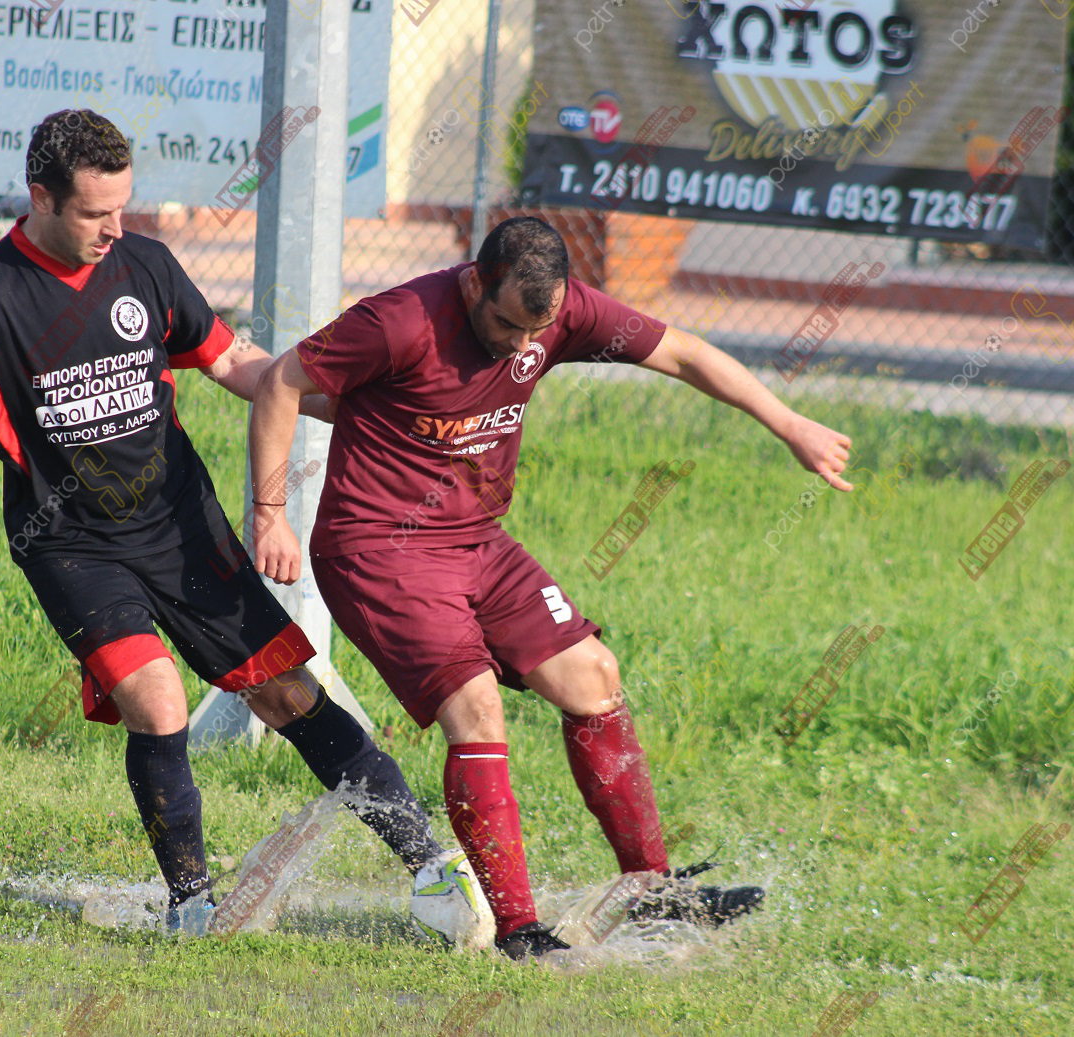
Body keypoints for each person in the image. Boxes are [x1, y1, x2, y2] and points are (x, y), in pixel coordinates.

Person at [0, 109, 469, 932]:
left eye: (122, 207)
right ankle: (192, 905)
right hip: (70, 545)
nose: (114, 228)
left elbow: (232, 360)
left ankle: (432, 869)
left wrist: (349, 410)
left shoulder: (145, 264)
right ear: (40, 197)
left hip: (181, 524)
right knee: (159, 702)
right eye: (93, 213)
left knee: (287, 691)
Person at [249, 216, 854, 959]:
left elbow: (685, 353)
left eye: (538, 331)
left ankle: (650, 889)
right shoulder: (400, 321)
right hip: (379, 550)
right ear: (476, 282)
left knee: (593, 675)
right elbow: (281, 381)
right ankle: (521, 933)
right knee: (477, 706)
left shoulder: (558, 312)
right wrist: (270, 514)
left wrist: (789, 424)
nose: (523, 346)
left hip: (476, 539)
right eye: (508, 326)